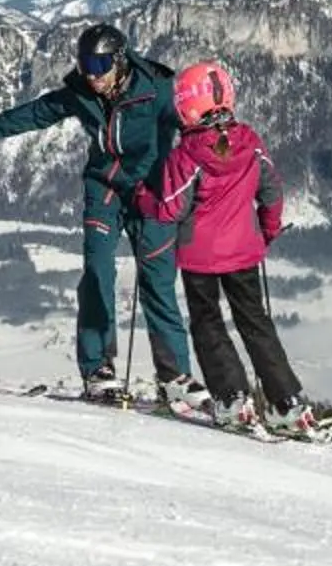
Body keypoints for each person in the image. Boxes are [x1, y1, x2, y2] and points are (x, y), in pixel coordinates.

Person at [0, 23, 199, 403]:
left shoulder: (158, 89)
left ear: (118, 59)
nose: (92, 73)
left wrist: (219, 176)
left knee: (158, 284)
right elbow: (33, 114)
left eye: (100, 63)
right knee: (98, 272)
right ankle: (98, 367)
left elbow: (195, 130)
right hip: (105, 191)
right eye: (85, 64)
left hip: (152, 194)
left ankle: (176, 376)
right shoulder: (81, 92)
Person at [136, 60, 320, 436]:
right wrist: (266, 232)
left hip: (200, 258)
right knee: (256, 322)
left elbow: (170, 207)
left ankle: (233, 400)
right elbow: (272, 191)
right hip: (244, 253)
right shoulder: (249, 143)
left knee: (208, 324)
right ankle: (287, 403)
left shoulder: (186, 155)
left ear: (186, 106)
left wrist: (142, 197)